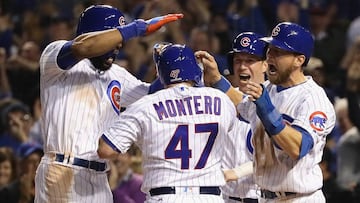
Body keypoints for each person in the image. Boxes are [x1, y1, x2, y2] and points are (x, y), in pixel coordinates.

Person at [34, 4, 183, 202]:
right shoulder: (54, 56)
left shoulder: (117, 75)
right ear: (91, 33)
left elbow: (151, 94)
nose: (119, 44)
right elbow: (84, 46)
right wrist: (136, 28)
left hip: (99, 178)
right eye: (114, 36)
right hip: (62, 170)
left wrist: (173, 66)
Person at [196, 22, 336, 202]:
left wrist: (267, 109)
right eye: (270, 50)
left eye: (278, 52)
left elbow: (298, 148)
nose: (270, 57)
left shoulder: (312, 99)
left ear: (299, 60)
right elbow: (243, 105)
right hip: (267, 197)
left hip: (299, 198)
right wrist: (216, 79)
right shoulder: (270, 88)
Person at [98, 43, 238, 203]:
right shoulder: (220, 99)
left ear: (160, 73)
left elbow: (106, 150)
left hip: (165, 195)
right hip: (209, 197)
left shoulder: (144, 105)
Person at [221, 32, 268, 203]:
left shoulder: (276, 102)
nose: (242, 67)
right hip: (224, 197)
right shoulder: (220, 101)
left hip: (260, 197)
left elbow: (276, 158)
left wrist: (235, 173)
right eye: (238, 61)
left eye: (250, 61)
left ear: (265, 65)